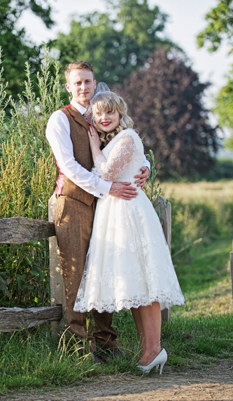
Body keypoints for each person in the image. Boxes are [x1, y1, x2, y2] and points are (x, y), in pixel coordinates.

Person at [73, 88, 185, 374]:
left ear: (120, 113)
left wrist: (96, 149)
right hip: (115, 214)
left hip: (130, 214)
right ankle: (150, 350)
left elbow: (107, 173)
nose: (104, 118)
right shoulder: (116, 140)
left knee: (146, 284)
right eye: (98, 114)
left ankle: (154, 348)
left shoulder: (127, 137)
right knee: (136, 286)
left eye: (110, 112)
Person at [45, 61, 151, 363]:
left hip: (106, 208)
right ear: (68, 86)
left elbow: (130, 147)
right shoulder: (60, 119)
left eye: (88, 81)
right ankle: (77, 348)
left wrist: (145, 168)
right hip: (75, 203)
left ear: (95, 83)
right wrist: (108, 189)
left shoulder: (103, 114)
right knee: (76, 273)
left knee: (104, 271)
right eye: (77, 82)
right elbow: (69, 167)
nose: (83, 87)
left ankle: (106, 344)